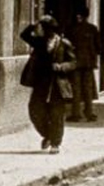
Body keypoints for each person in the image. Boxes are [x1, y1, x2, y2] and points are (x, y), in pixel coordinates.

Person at [20, 16, 76, 154]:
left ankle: (55, 143)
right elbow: (24, 35)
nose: (46, 31)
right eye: (44, 28)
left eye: (48, 29)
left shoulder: (64, 44)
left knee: (57, 114)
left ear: (54, 29)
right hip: (41, 83)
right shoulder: (39, 42)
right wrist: (35, 23)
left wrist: (61, 66)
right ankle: (47, 135)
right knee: (35, 111)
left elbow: (74, 63)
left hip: (58, 84)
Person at [66, 8, 100, 122]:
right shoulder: (92, 29)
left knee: (76, 89)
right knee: (87, 89)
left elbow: (67, 46)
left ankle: (76, 114)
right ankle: (89, 113)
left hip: (76, 62)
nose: (77, 17)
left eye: (79, 15)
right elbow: (98, 46)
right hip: (88, 62)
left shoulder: (71, 29)